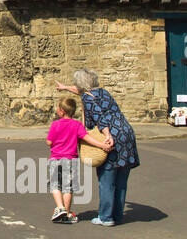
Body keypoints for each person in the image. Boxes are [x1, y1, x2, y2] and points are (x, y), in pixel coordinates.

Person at [56, 69, 139, 226]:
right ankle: (117, 215)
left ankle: (106, 217)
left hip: (111, 134)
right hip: (126, 133)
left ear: (81, 84)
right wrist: (65, 87)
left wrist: (107, 136)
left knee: (107, 178)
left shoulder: (87, 98)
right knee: (121, 179)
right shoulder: (103, 92)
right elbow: (81, 91)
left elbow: (99, 118)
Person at [45, 94, 113, 224]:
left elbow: (49, 142)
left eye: (58, 108)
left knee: (55, 185)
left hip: (56, 159)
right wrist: (102, 145)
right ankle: (67, 212)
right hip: (71, 160)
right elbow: (87, 138)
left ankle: (60, 208)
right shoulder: (76, 125)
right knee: (68, 188)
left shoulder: (55, 125)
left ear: (62, 111)